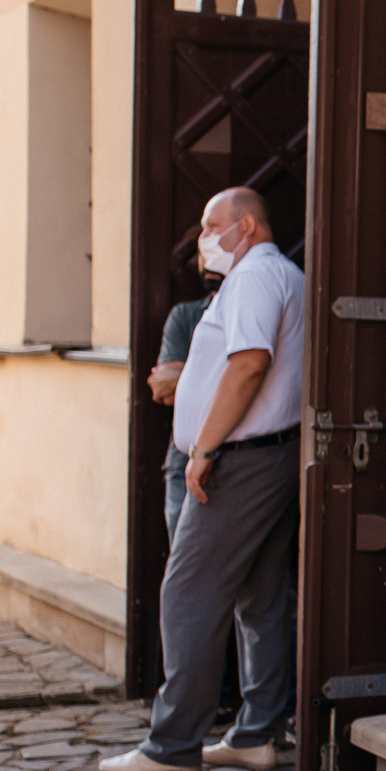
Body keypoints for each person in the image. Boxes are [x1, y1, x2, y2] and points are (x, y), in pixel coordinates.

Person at [100, 187, 306, 771]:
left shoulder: (256, 277)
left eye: (210, 226)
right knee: (260, 597)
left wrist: (205, 449)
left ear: (246, 226)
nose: (202, 240)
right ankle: (254, 734)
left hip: (239, 460)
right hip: (266, 456)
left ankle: (171, 744)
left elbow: (247, 364)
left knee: (187, 590)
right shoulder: (271, 275)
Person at [152, 224, 215, 539]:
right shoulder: (186, 316)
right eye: (201, 255)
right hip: (183, 460)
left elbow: (255, 376)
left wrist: (187, 376)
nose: (206, 262)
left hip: (244, 461)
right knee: (184, 572)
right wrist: (224, 375)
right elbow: (163, 389)